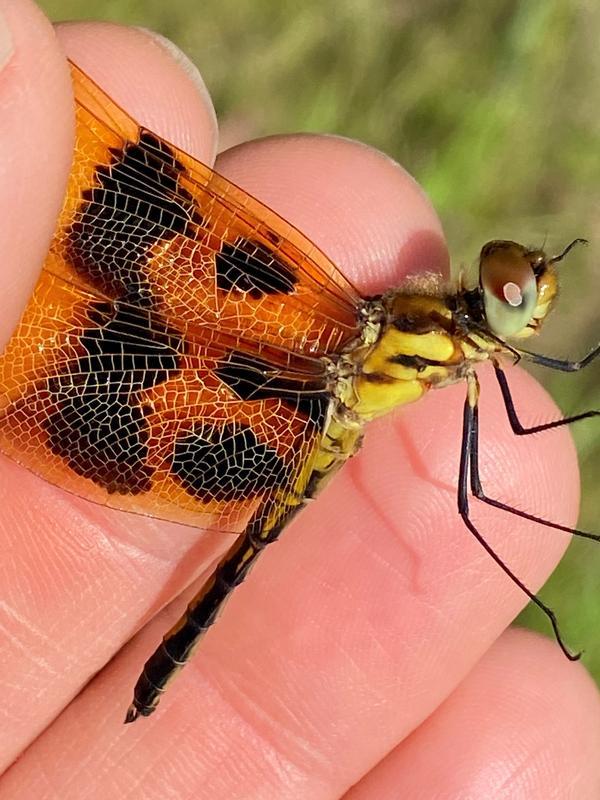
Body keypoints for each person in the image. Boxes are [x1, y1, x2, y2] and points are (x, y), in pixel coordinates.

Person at [1, 2, 599, 796]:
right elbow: (476, 492)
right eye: (519, 288)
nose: (527, 302)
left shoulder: (459, 344)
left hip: (308, 419)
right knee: (477, 495)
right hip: (313, 407)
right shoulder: (434, 340)